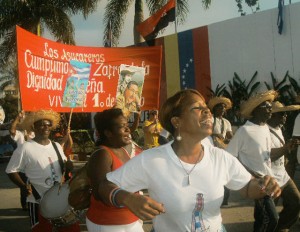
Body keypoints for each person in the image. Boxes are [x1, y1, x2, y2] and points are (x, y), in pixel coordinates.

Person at [96, 89, 281, 232]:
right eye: (197, 109)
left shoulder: (220, 158)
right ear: (177, 122)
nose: (207, 112)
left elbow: (247, 187)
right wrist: (127, 198)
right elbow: (104, 186)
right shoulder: (152, 160)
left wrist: (264, 186)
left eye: (206, 108)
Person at [5, 109, 78, 232]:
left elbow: (65, 165)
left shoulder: (56, 146)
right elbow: (11, 170)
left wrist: (69, 166)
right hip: (38, 201)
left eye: (49, 124)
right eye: (42, 124)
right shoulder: (25, 148)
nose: (46, 127)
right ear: (34, 127)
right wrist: (23, 186)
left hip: (61, 200)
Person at [226, 89, 280, 231]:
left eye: (270, 107)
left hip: (269, 180)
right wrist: (250, 174)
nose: (270, 110)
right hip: (259, 183)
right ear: (255, 110)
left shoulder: (265, 128)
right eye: (266, 107)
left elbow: (267, 155)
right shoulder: (244, 131)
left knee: (262, 218)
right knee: (272, 219)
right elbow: (229, 156)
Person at [85, 108, 144, 232]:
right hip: (109, 223)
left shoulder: (123, 150)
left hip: (131, 218)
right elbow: (100, 192)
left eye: (127, 125)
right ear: (108, 133)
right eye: (122, 126)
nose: (128, 129)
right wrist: (128, 198)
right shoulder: (102, 155)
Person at [267, 101, 300, 231]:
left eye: (286, 113)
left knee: (296, 202)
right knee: (269, 213)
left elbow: (282, 152)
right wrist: (285, 149)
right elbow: (268, 155)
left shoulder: (279, 129)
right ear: (272, 116)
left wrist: (288, 148)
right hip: (269, 177)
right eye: (282, 114)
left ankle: (281, 227)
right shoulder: (263, 132)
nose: (285, 116)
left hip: (283, 175)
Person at [208, 96, 233, 206]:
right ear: (214, 108)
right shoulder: (210, 119)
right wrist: (214, 134)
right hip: (210, 151)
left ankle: (224, 199)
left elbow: (229, 135)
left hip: (223, 151)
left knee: (224, 174)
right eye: (220, 107)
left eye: (224, 108)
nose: (222, 109)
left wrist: (229, 138)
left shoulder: (226, 122)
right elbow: (203, 132)